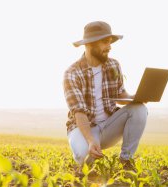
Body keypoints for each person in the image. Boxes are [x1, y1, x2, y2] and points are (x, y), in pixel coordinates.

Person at [63, 21, 148, 173]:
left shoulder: (113, 65)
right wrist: (90, 140)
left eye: (110, 42)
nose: (109, 47)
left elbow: (120, 95)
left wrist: (136, 97)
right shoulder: (72, 73)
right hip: (83, 128)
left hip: (109, 125)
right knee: (82, 155)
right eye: (105, 42)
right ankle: (87, 157)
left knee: (139, 109)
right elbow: (79, 113)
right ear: (89, 44)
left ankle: (126, 160)